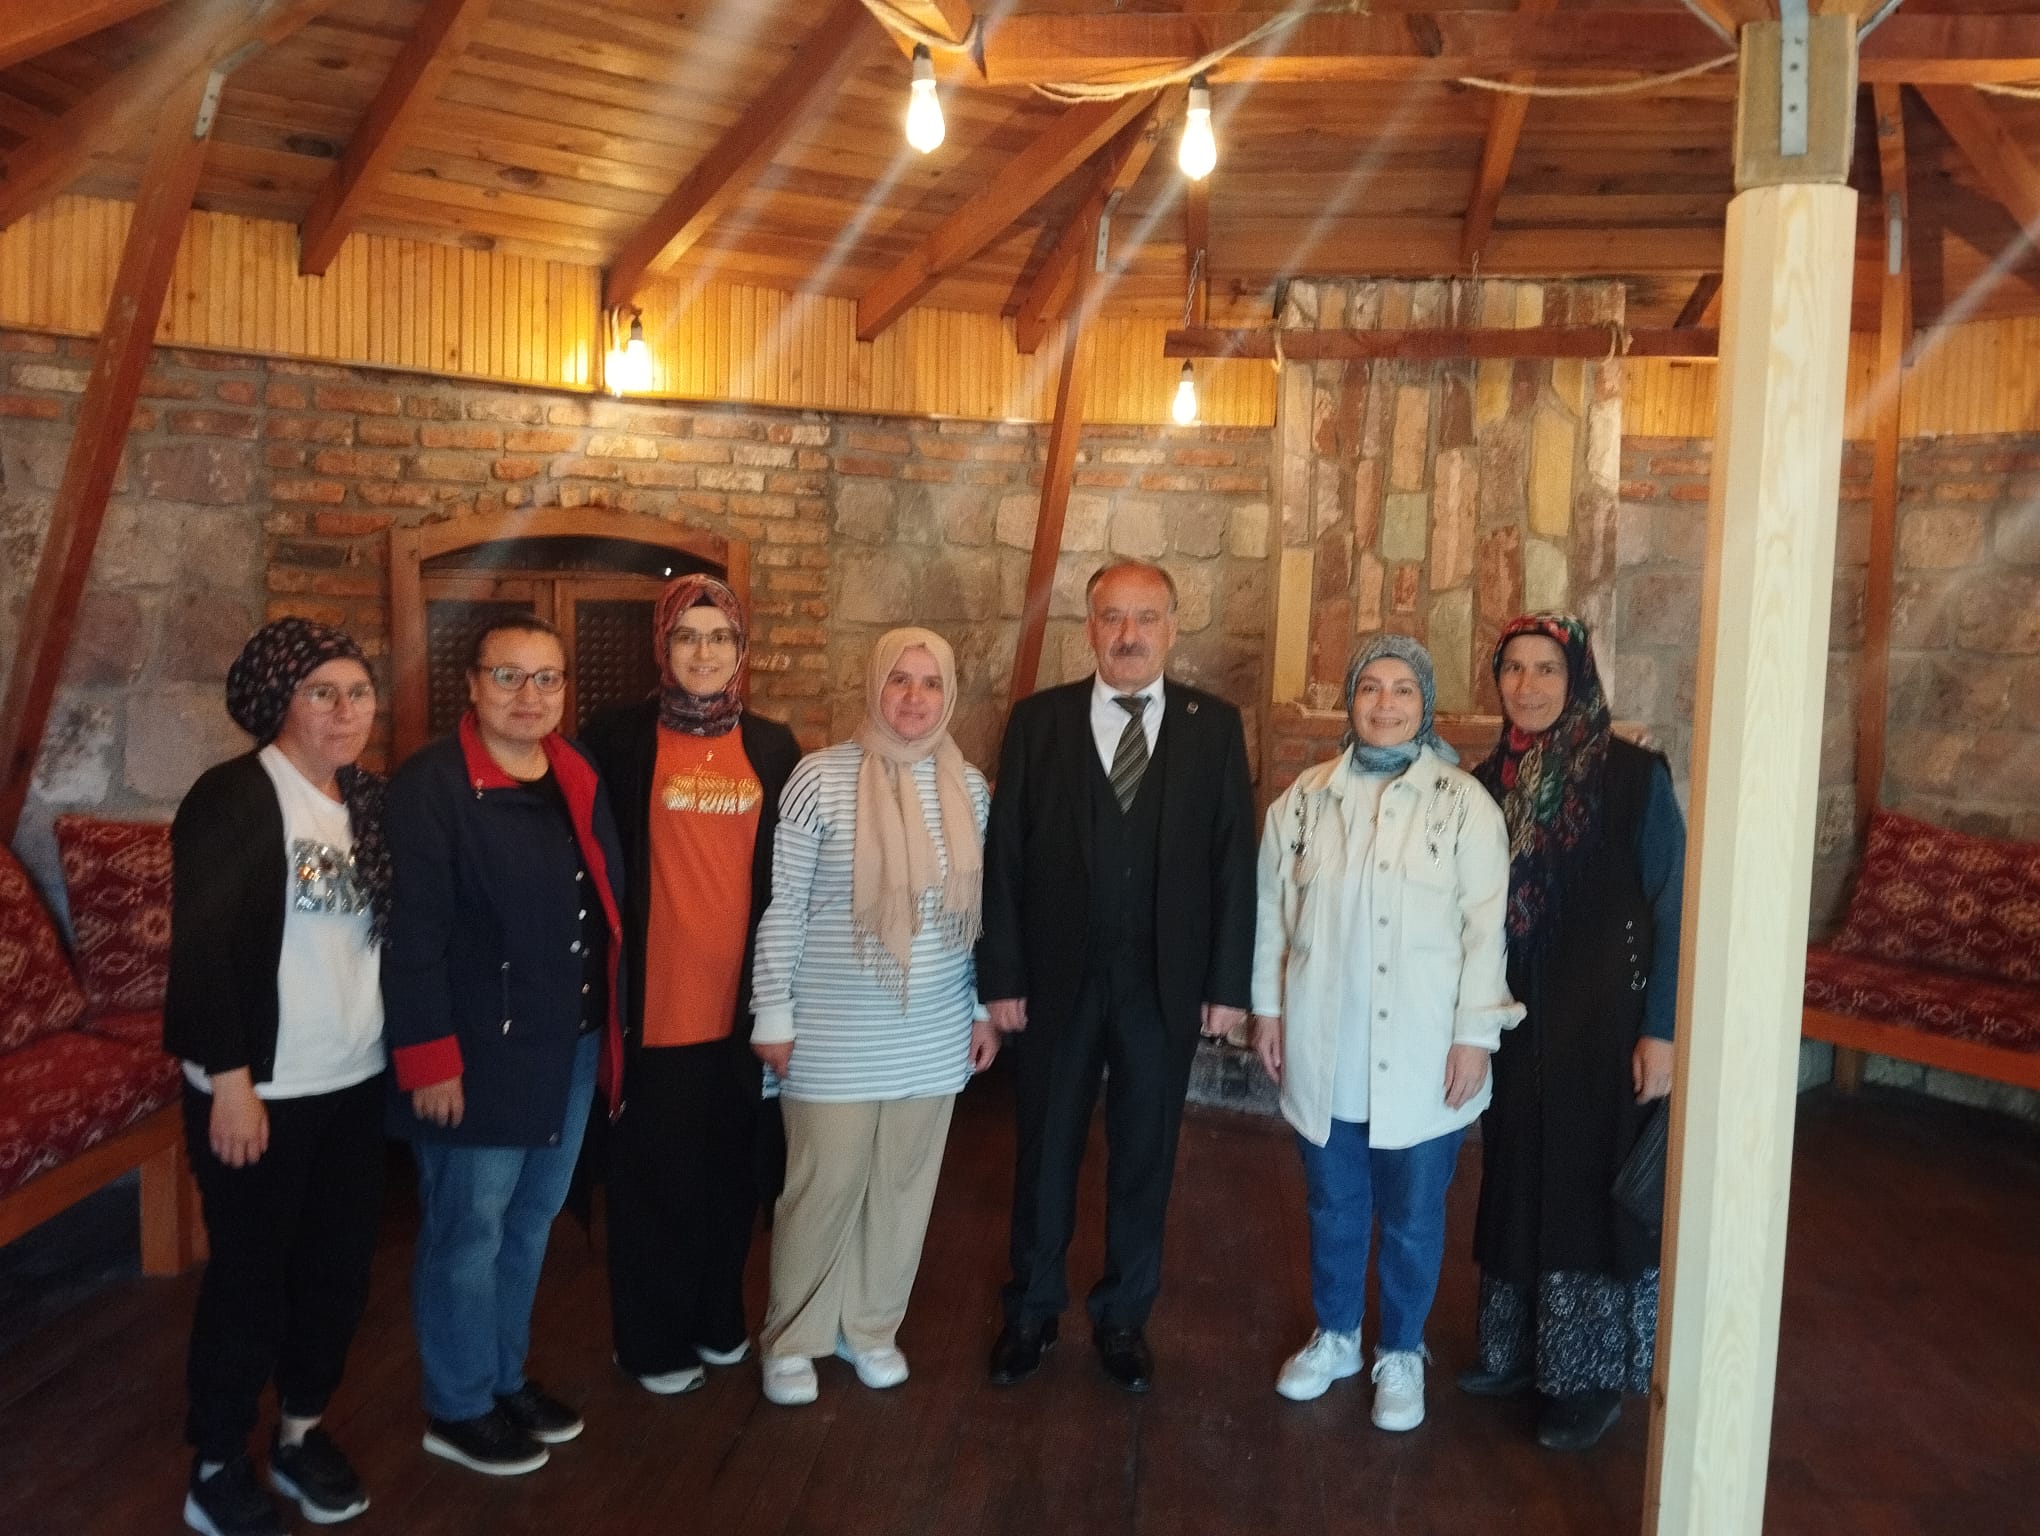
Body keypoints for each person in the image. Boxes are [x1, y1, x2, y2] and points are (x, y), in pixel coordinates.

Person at [980, 559, 1256, 1394]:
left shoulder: (1215, 727)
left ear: (1173, 628)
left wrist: (1227, 986)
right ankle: (1031, 1311)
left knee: (1146, 1153)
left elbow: (1232, 863)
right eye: (1112, 617)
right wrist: (1003, 975)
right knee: (1045, 1150)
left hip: (1163, 985)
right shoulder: (1039, 722)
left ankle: (1124, 1317)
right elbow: (1005, 855)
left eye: (1145, 618)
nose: (1128, 635)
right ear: (1089, 627)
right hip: (1056, 981)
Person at [1248, 635, 1522, 1431]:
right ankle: (1336, 1335)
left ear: (1424, 704)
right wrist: (1268, 1009)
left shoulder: (1463, 806)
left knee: (1412, 1213)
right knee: (1333, 1203)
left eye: (1404, 689)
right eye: (1371, 687)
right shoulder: (1304, 801)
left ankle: (1400, 1350)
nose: (1386, 704)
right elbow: (1272, 915)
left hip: (1425, 1048)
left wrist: (1475, 1036)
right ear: (1351, 700)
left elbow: (1486, 931)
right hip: (1326, 1044)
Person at [382, 616, 627, 1476]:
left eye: (548, 678)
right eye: (509, 676)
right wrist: (429, 1058)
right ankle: (456, 1408)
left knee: (529, 1222)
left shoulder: (575, 768)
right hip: (477, 1054)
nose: (530, 696)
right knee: (467, 1232)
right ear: (473, 685)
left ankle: (501, 1378)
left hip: (567, 1044)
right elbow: (411, 935)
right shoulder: (432, 785)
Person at [164, 618, 390, 1536]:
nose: (346, 711)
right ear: (276, 702)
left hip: (354, 1079)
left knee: (336, 1272)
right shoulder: (233, 797)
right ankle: (218, 1462)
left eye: (358, 692)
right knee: (250, 1283)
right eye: (321, 693)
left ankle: (299, 1433)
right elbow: (203, 950)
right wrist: (230, 1081)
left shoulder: (367, 801)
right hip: (259, 1087)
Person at [748, 628, 996, 1406]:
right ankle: (794, 1339)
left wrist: (981, 1010)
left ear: (948, 694)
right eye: (899, 679)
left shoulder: (970, 787)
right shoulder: (818, 777)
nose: (914, 697)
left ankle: (872, 1327)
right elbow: (785, 904)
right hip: (831, 1032)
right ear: (873, 686)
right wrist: (772, 1011)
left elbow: (979, 915)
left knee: (902, 1190)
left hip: (932, 1029)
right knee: (821, 1187)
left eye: (930, 682)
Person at [1462, 612, 1685, 1452]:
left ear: (1578, 676)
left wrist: (1662, 1030)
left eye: (1547, 668)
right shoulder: (1486, 785)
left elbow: (1673, 908)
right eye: (1513, 669)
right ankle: (1518, 1352)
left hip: (1608, 1028)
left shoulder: (1633, 776)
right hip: (1521, 1025)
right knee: (1520, 1174)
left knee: (1591, 1190)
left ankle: (1588, 1378)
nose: (1528, 686)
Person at [581, 574, 800, 1396]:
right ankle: (649, 1339)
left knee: (731, 1178)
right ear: (663, 646)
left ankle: (715, 1316)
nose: (703, 652)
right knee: (653, 1184)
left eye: (719, 638)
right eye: (687, 636)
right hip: (655, 1009)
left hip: (742, 1009)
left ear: (741, 650)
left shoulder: (772, 745)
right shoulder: (618, 738)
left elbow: (792, 877)